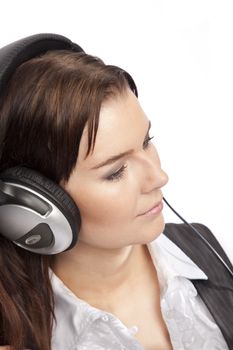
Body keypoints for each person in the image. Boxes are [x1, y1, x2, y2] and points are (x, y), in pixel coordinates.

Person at [0, 34, 232, 350]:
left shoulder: (200, 251)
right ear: (36, 202)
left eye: (147, 142)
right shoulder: (16, 333)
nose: (159, 177)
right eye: (116, 171)